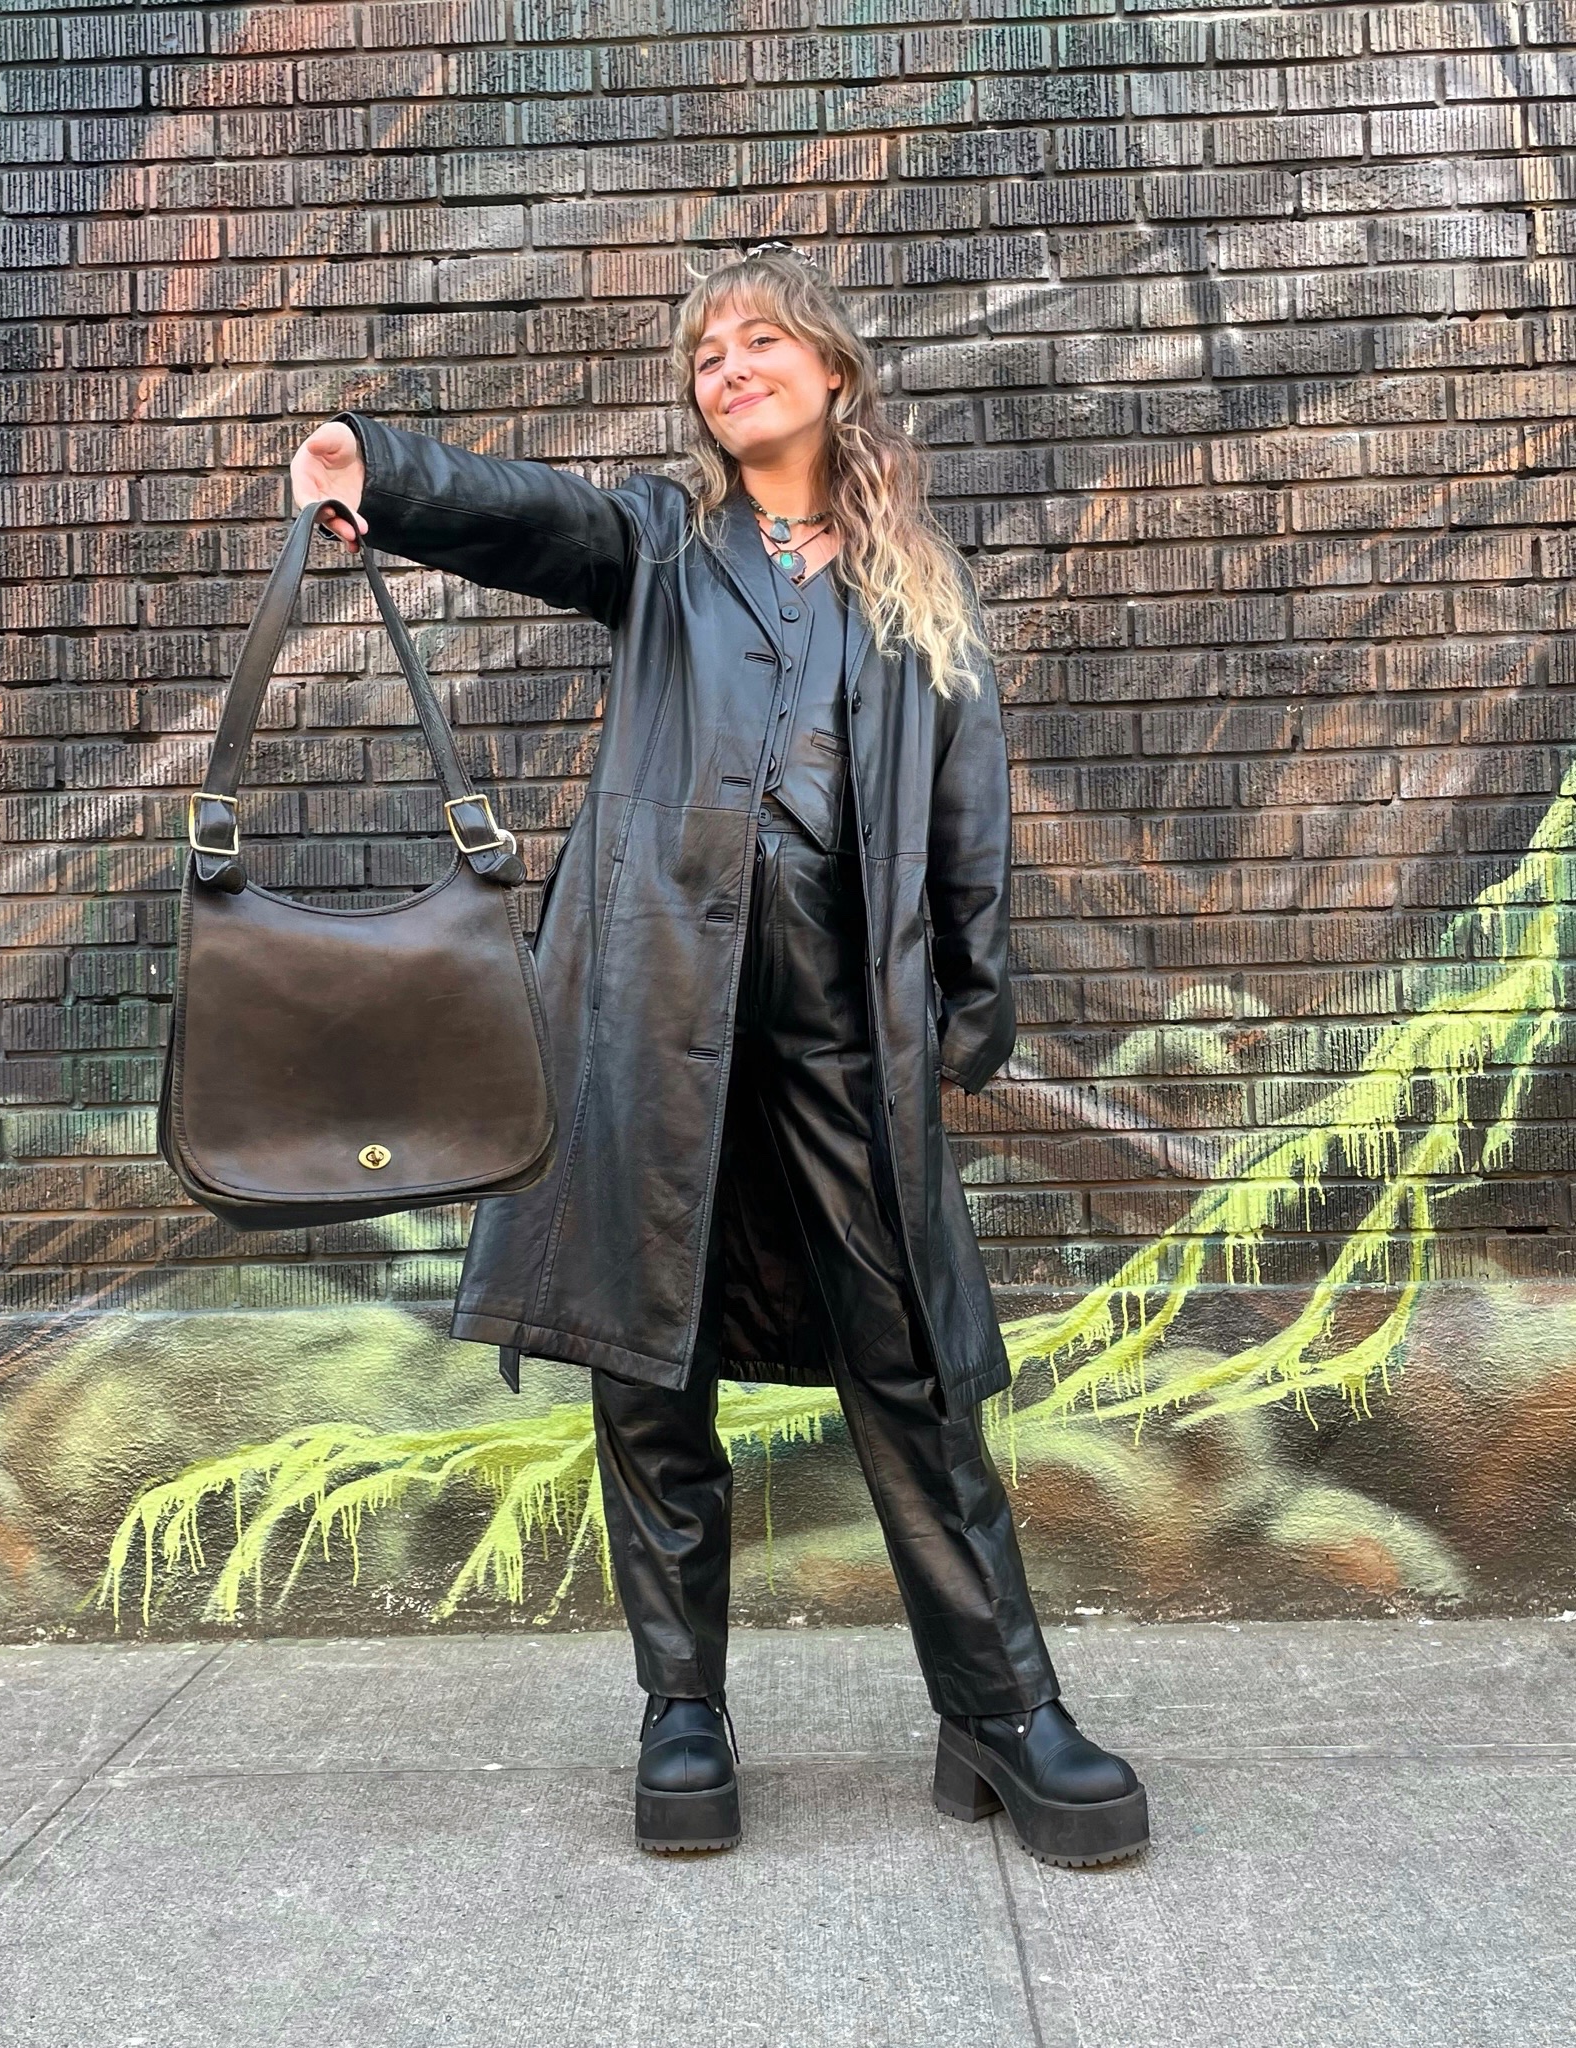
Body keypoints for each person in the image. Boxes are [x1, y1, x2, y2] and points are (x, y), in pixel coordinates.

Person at [289, 244, 1147, 1869]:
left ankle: (999, 1709)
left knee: (913, 1366)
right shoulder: (664, 543)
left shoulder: (917, 586)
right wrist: (376, 470)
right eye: (705, 353)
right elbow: (524, 511)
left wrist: (973, 994)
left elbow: (967, 812)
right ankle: (680, 1710)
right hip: (646, 1005)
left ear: (833, 375)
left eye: (762, 340)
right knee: (644, 1356)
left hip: (847, 1027)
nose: (728, 364)